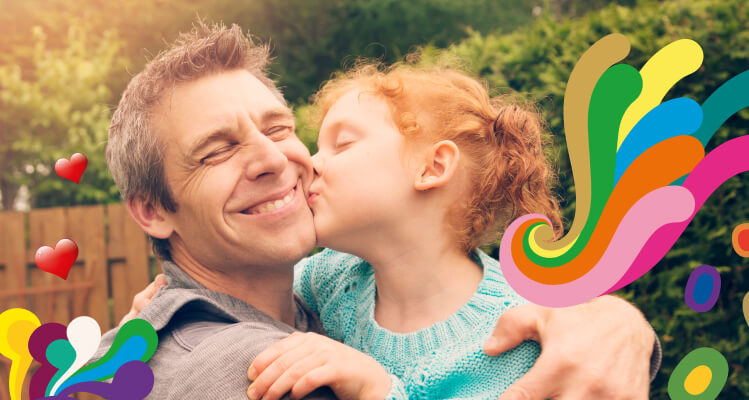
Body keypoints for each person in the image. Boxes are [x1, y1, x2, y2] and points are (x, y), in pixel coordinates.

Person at [105, 20, 660, 400]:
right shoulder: (272, 336)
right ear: (152, 210)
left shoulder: (517, 333)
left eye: (279, 128)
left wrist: (615, 321)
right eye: (218, 148)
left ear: (431, 169)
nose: (288, 161)